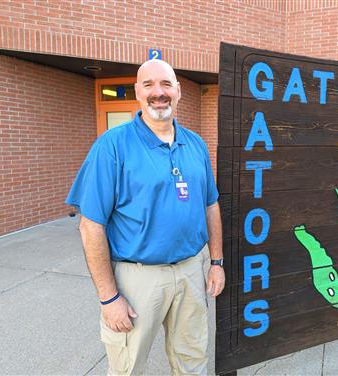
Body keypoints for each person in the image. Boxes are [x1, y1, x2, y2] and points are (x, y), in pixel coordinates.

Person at [65, 59, 225, 375]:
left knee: (193, 360)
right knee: (128, 366)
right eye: (149, 84)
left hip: (191, 271)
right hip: (137, 279)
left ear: (178, 91)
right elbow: (91, 225)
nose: (158, 93)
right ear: (138, 91)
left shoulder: (196, 145)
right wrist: (109, 298)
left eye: (166, 84)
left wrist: (216, 263)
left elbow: (211, 206)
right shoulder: (112, 145)